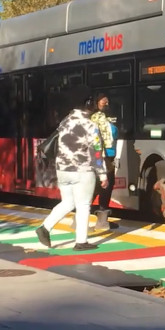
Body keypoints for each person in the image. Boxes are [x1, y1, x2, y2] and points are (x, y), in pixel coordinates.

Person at [35, 95, 108, 251]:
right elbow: (96, 152)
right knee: (83, 205)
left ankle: (44, 228)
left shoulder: (65, 122)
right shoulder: (90, 126)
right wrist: (102, 175)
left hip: (62, 170)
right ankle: (81, 242)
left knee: (67, 202)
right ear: (88, 104)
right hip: (82, 171)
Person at [90, 93, 120, 230]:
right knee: (104, 186)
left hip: (107, 155)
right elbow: (112, 133)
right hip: (102, 156)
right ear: (97, 103)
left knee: (100, 186)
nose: (106, 104)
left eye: (107, 102)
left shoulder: (106, 118)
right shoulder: (96, 118)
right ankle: (101, 220)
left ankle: (97, 219)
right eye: (103, 102)